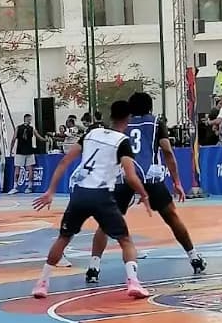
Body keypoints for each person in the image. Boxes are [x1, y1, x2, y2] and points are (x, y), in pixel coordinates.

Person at [31, 100, 151, 300]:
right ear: (128, 118)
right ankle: (133, 282)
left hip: (80, 193)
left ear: (110, 115)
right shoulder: (122, 141)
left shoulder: (91, 134)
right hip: (102, 195)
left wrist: (50, 191)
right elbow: (130, 176)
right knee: (125, 240)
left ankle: (42, 283)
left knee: (64, 237)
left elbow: (64, 162)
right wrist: (144, 194)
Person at [85, 93, 205, 282]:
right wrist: (177, 182)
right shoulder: (155, 122)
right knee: (172, 217)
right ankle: (194, 258)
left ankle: (93, 268)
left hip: (125, 176)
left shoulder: (122, 124)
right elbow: (167, 151)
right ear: (149, 107)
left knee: (106, 223)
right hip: (150, 177)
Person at [9, 113, 44, 194]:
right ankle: (29, 187)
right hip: (27, 151)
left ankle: (16, 187)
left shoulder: (18, 128)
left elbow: (13, 139)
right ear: (26, 119)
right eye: (30, 119)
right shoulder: (31, 128)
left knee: (19, 168)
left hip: (21, 151)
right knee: (29, 168)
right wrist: (45, 139)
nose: (30, 120)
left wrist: (11, 149)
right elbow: (39, 137)